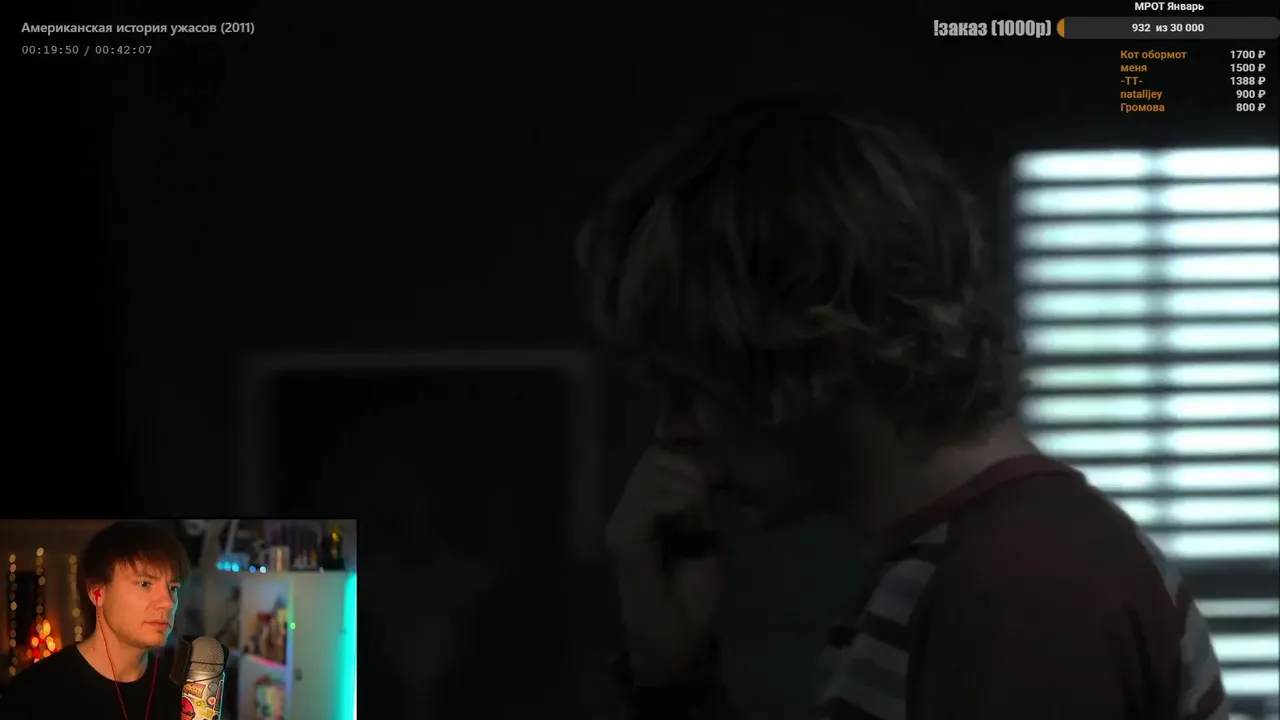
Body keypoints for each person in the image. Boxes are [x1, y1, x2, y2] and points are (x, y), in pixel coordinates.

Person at [576, 93, 1229, 719]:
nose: (672, 433)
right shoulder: (962, 568)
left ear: (818, 354)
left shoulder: (1022, 583)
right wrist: (673, 671)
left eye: (691, 389)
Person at [0, 521, 187, 719]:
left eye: (173, 588)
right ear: (97, 592)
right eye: (145, 584)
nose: (167, 602)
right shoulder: (33, 694)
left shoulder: (182, 695)